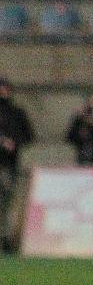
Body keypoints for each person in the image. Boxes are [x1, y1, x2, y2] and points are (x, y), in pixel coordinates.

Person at [0, 77, 34, 253]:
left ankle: (7, 240)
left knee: (7, 204)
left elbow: (28, 136)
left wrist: (14, 142)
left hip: (9, 165)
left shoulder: (17, 113)